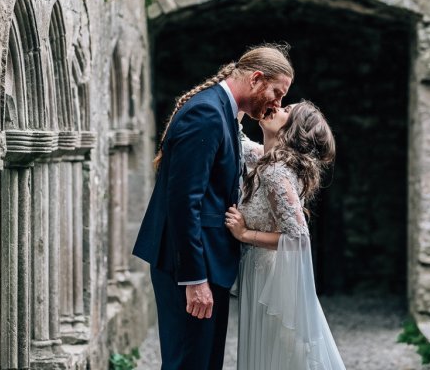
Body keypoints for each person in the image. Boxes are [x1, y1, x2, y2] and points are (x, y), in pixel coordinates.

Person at [132, 44, 294, 370]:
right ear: (256, 79)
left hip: (208, 261)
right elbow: (183, 202)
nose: (278, 103)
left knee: (205, 362)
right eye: (277, 93)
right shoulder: (206, 112)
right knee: (189, 363)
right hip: (190, 265)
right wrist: (194, 279)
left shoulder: (224, 112)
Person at [225, 100, 346, 370]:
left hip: (273, 277)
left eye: (286, 111)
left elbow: (299, 239)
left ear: (292, 130)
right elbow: (234, 136)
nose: (277, 108)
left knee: (282, 354)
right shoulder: (263, 158)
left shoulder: (275, 172)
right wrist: (245, 101)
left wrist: (245, 233)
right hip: (259, 271)